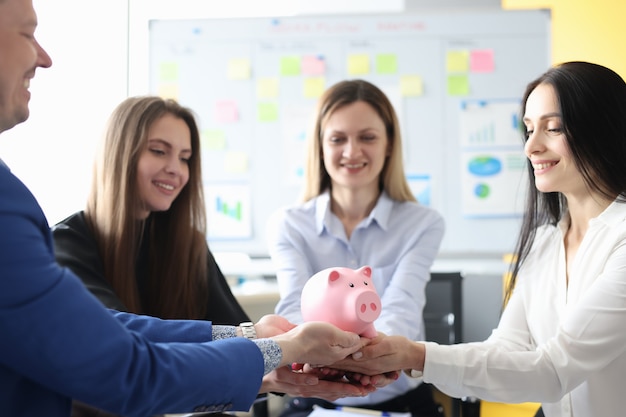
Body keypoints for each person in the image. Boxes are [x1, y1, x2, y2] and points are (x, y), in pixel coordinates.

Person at [0, 1, 380, 416]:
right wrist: (278, 349)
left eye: (185, 157)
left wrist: (255, 342)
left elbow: (117, 331)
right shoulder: (39, 226)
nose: (44, 57)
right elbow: (127, 362)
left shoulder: (184, 244)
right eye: (27, 34)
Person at [333, 61, 626, 417]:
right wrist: (404, 355)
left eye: (554, 128)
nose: (531, 147)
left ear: (605, 130)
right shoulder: (544, 242)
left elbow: (553, 370)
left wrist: (416, 355)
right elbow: (507, 349)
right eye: (529, 129)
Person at [266, 79, 446, 417]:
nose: (352, 152)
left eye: (367, 137)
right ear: (319, 146)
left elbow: (401, 309)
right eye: (337, 139)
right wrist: (343, 358)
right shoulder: (288, 224)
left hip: (401, 402)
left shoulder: (423, 223)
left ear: (389, 144)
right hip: (312, 401)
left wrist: (345, 356)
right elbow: (293, 308)